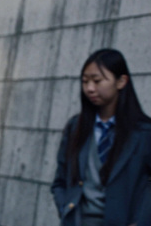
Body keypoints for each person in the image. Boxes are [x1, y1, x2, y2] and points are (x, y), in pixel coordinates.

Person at [51, 48, 151, 226]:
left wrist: (141, 221)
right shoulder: (76, 127)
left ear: (121, 81)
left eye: (97, 81)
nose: (90, 88)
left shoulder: (143, 132)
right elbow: (60, 181)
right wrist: (65, 208)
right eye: (85, 81)